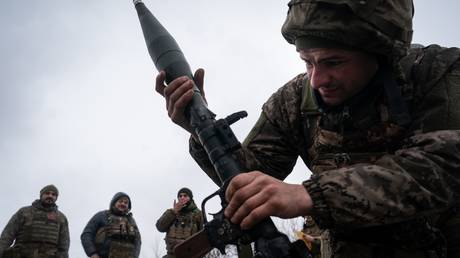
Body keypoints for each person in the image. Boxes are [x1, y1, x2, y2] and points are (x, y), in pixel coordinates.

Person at [155, 0, 460, 257]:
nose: (317, 79)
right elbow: (251, 178)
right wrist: (199, 128)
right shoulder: (295, 101)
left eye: (334, 62)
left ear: (381, 53)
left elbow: (445, 165)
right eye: (308, 62)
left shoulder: (437, 74)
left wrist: (309, 195)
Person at [0, 184, 70, 258]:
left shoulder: (61, 218)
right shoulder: (24, 212)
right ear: (41, 195)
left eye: (53, 194)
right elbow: (7, 236)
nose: (50, 196)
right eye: (47, 193)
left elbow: (64, 246)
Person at [81, 192, 141, 258]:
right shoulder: (101, 215)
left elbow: (137, 240)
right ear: (114, 203)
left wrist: (135, 256)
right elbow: (86, 234)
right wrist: (93, 253)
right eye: (120, 201)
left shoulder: (131, 221)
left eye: (126, 203)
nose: (123, 204)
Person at [156, 187, 203, 258]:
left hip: (190, 254)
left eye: (185, 196)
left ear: (190, 198)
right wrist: (173, 212)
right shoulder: (171, 212)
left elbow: (201, 236)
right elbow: (160, 227)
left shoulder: (198, 214)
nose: (182, 198)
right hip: (172, 254)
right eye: (180, 196)